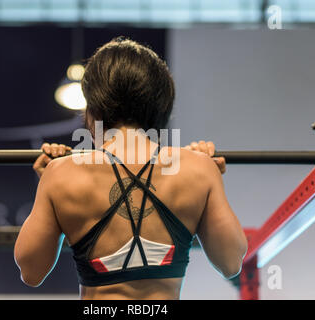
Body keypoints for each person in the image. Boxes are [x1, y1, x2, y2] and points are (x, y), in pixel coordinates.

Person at [14, 38, 247, 300]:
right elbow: (231, 263)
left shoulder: (61, 173)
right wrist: (211, 176)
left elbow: (31, 272)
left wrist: (49, 184)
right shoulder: (198, 168)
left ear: (93, 108)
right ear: (161, 107)